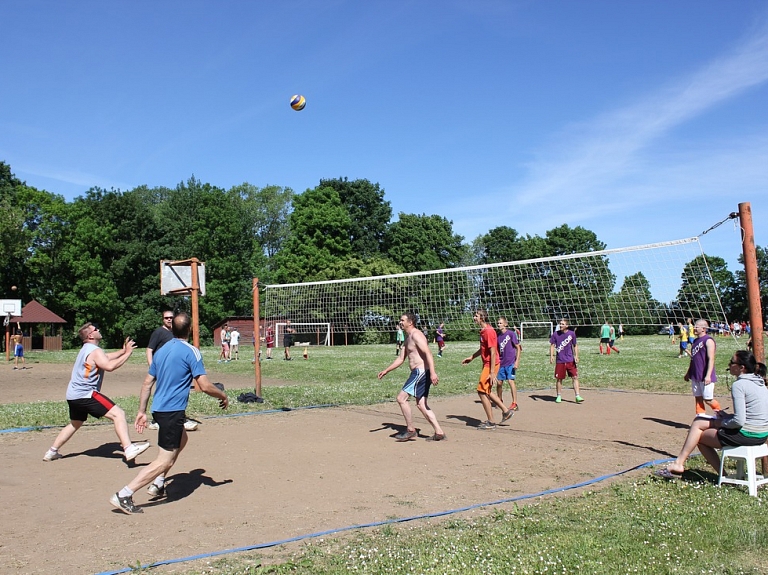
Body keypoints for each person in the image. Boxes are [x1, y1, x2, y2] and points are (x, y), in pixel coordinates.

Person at [110, 312, 229, 514]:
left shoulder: (162, 351)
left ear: (172, 329)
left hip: (160, 409)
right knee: (165, 459)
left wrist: (142, 411)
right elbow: (205, 385)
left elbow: (148, 383)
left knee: (182, 440)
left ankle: (158, 482)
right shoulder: (192, 351)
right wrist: (222, 396)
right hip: (172, 412)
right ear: (190, 330)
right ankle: (124, 494)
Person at [43, 322, 150, 462]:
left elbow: (106, 357)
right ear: (90, 335)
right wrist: (128, 353)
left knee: (75, 423)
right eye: (95, 329)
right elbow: (109, 366)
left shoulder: (87, 349)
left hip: (73, 395)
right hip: (85, 394)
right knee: (119, 414)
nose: (98, 330)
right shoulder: (95, 351)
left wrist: (123, 351)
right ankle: (129, 448)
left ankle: (52, 452)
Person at [657, 350, 768, 478]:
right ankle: (680, 463)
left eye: (732, 362)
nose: (729, 364)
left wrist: (720, 422)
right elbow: (753, 414)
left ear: (741, 367)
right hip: (762, 435)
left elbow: (739, 421)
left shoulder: (739, 385)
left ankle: (717, 474)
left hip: (746, 435)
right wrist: (727, 416)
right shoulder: (760, 384)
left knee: (699, 433)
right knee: (699, 426)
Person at [378, 312, 446, 441]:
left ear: (410, 322)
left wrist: (433, 372)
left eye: (402, 320)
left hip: (420, 372)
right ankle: (439, 432)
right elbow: (400, 358)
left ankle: (411, 430)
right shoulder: (408, 337)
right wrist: (386, 370)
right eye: (400, 320)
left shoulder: (416, 335)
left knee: (401, 398)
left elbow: (428, 353)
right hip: (419, 373)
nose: (400, 322)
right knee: (421, 404)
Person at [146, 311, 198, 432]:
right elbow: (149, 349)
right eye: (166, 318)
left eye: (171, 317)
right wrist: (152, 367)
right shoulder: (159, 332)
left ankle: (180, 418)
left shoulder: (174, 333)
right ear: (162, 319)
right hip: (162, 367)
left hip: (174, 367)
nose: (169, 319)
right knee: (163, 392)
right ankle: (157, 419)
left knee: (177, 392)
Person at [462, 309, 513, 429]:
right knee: (486, 391)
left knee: (481, 391)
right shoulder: (483, 331)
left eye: (476, 316)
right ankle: (506, 411)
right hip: (488, 364)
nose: (474, 318)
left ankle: (491, 421)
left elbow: (493, 351)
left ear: (482, 318)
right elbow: (484, 349)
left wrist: (492, 372)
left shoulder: (489, 331)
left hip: (491, 365)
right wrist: (472, 357)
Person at [685, 319, 721, 417]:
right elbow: (693, 359)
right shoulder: (695, 341)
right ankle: (700, 417)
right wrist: (688, 372)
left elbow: (711, 359)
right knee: (698, 398)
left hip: (705, 376)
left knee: (708, 399)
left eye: (697, 326)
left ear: (704, 328)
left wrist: (708, 375)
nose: (694, 328)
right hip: (695, 374)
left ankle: (720, 413)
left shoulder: (708, 340)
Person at [549, 319, 583, 404]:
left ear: (566, 326)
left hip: (570, 360)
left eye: (562, 324)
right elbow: (552, 345)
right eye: (560, 324)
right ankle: (559, 396)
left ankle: (577, 395)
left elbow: (575, 345)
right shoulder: (555, 334)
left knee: (575, 377)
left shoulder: (571, 334)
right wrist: (552, 356)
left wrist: (576, 356)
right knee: (559, 379)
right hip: (560, 360)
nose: (560, 325)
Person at [496, 317, 522, 411]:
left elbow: (518, 348)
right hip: (501, 363)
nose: (499, 324)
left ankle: (514, 403)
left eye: (500, 323)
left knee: (511, 381)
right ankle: (499, 400)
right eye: (498, 323)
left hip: (510, 362)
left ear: (505, 324)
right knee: (499, 382)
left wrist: (517, 361)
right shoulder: (498, 336)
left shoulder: (511, 334)